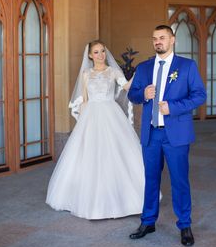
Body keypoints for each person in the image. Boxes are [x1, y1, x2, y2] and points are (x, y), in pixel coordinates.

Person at [46, 40, 145, 219]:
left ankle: (122, 197)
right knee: (89, 154)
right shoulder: (86, 73)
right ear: (90, 55)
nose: (100, 55)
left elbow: (125, 87)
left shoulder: (113, 71)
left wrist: (138, 74)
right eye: (96, 52)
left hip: (110, 113)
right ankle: (86, 198)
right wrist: (82, 123)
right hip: (91, 115)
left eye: (102, 51)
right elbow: (84, 98)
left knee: (114, 152)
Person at [128, 25, 206, 246]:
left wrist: (174, 107)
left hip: (176, 135)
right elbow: (133, 95)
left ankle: (185, 225)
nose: (158, 42)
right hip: (151, 134)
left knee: (179, 181)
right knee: (151, 179)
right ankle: (148, 221)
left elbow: (199, 95)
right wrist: (142, 94)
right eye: (154, 39)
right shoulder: (143, 68)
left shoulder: (187, 66)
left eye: (162, 38)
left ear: (172, 40)